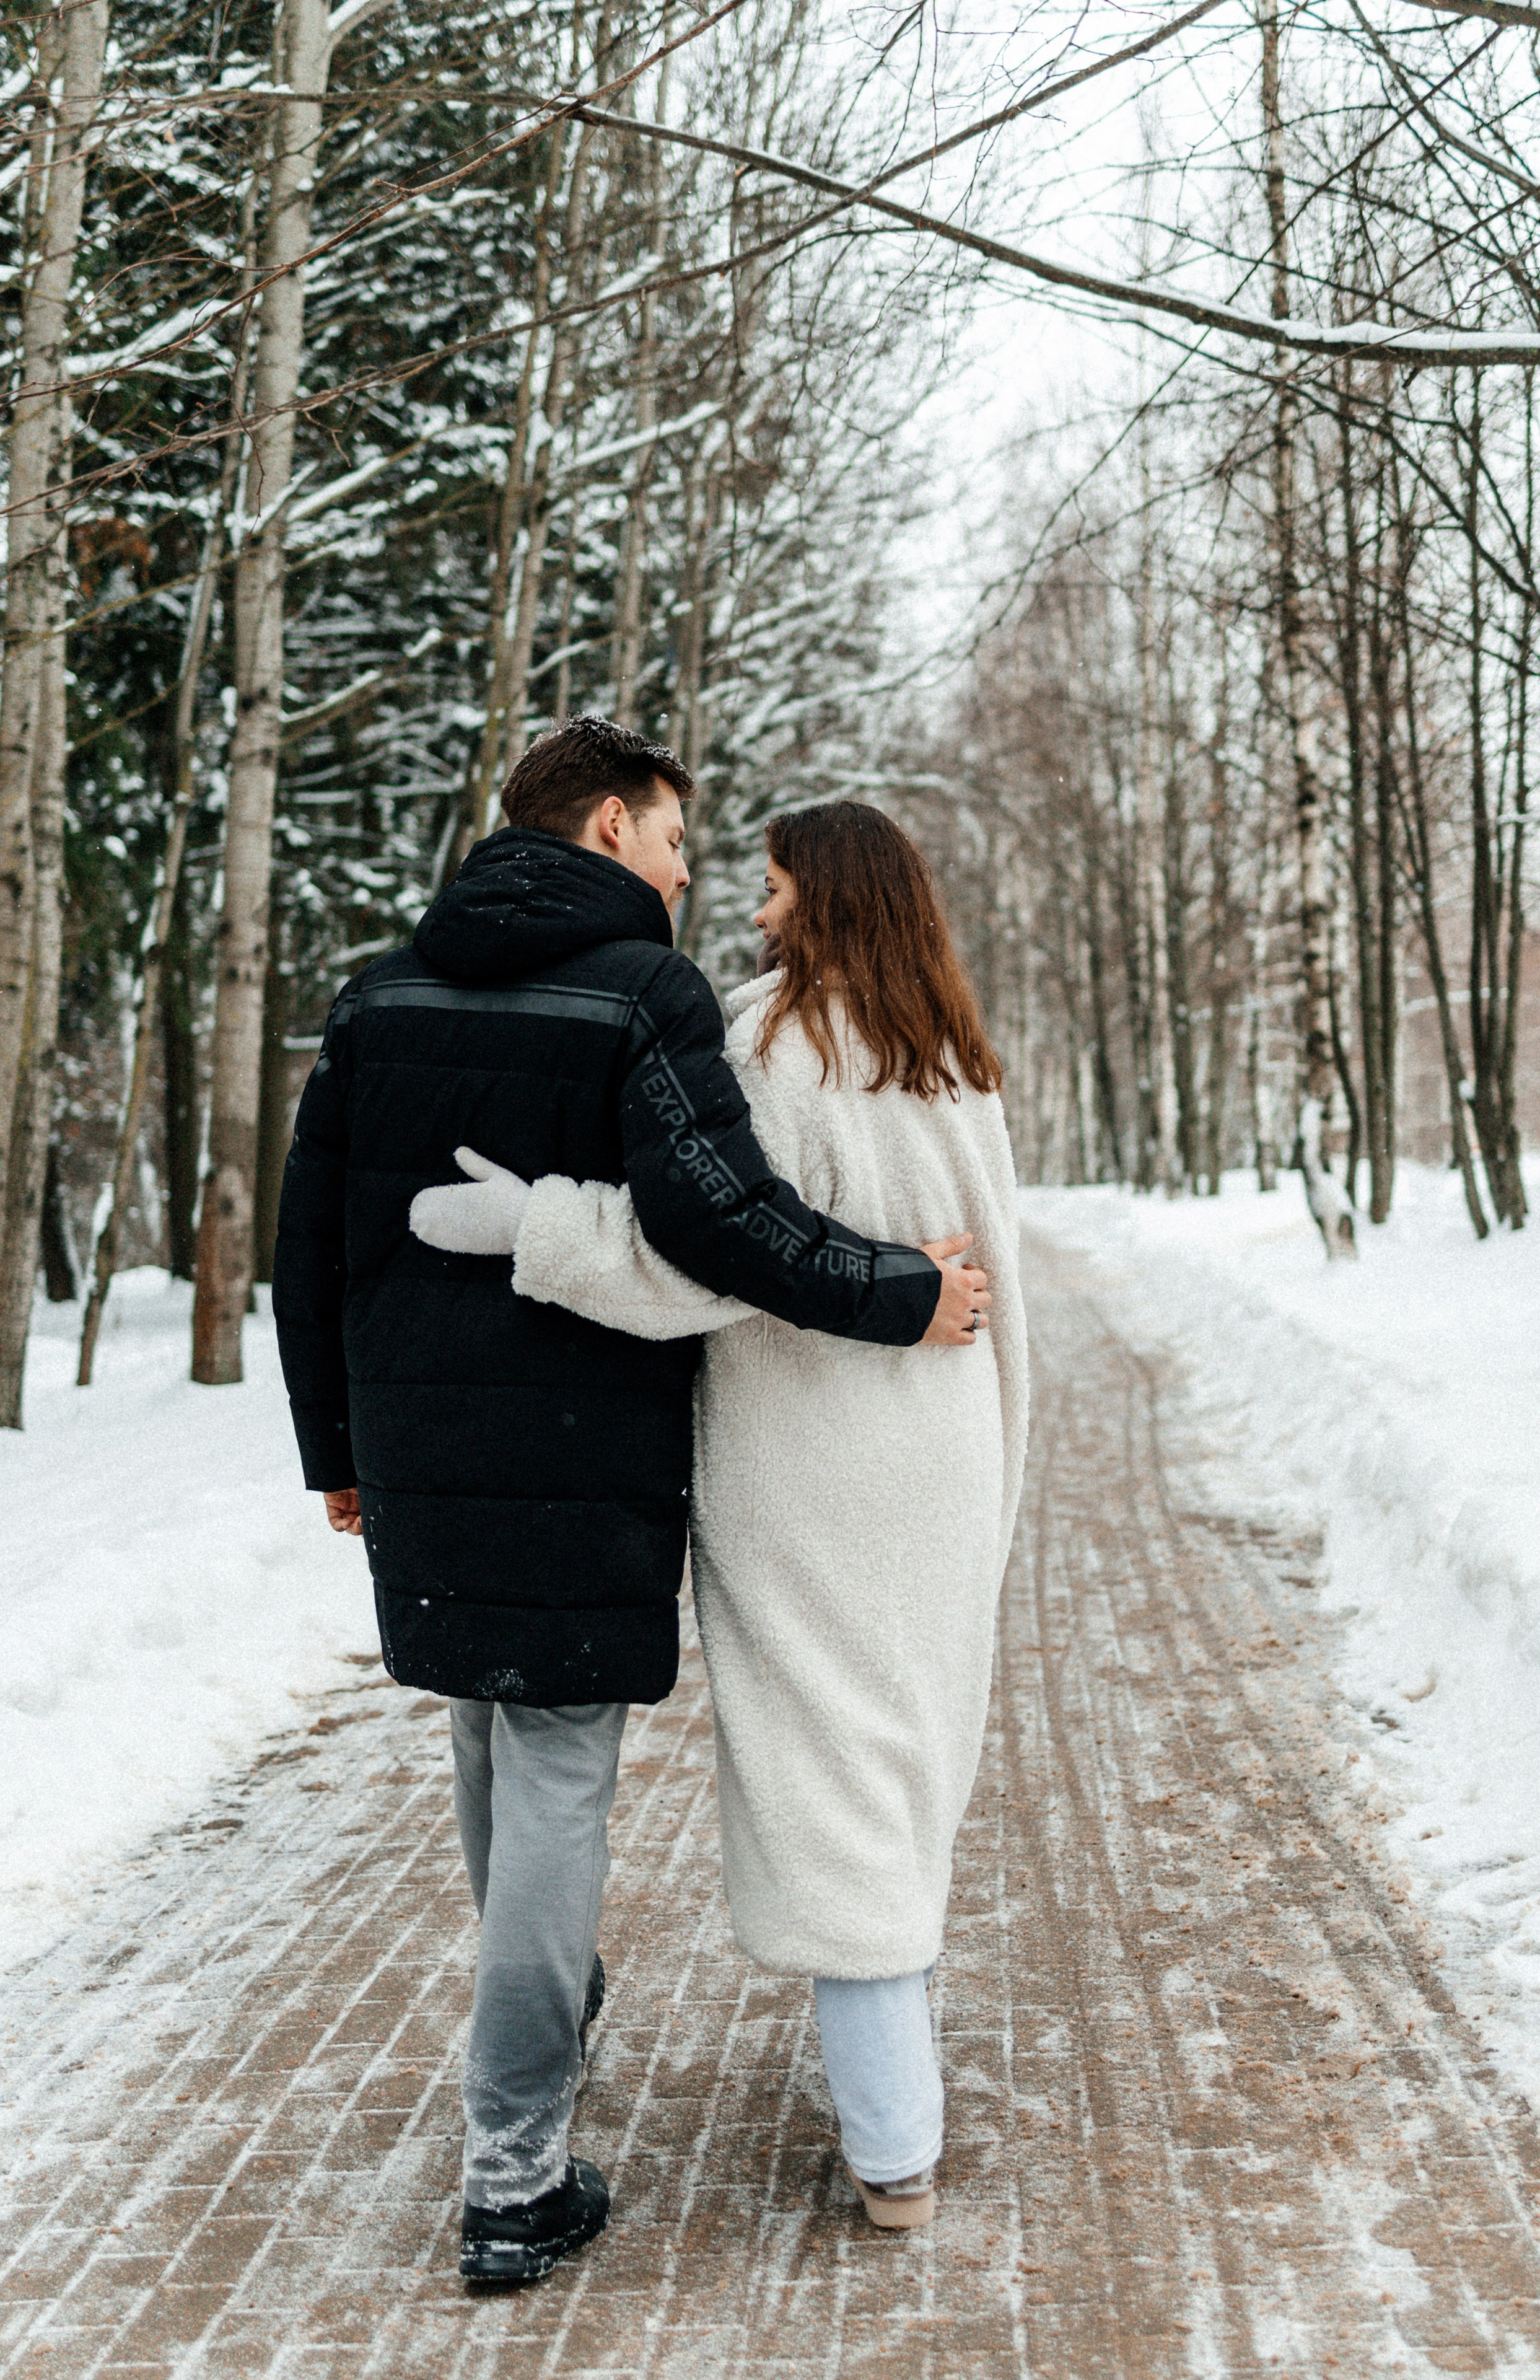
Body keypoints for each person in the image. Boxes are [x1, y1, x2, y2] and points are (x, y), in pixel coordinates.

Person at [271, 720, 991, 2288]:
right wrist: (900, 1292)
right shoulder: (642, 993)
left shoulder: (378, 990)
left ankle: (543, 2014)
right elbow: (723, 1223)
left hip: (414, 1452)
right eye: (672, 838)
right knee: (549, 1786)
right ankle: (514, 2166)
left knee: (487, 1726)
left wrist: (333, 1448)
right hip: (581, 1456)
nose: (691, 872)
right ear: (607, 827)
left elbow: (308, 1237)